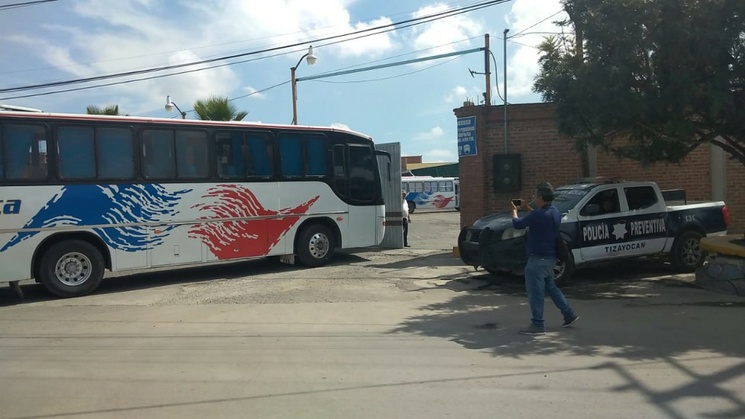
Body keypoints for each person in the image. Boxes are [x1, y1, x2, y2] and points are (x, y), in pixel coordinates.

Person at [511, 182, 579, 335]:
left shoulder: (538, 215)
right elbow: (539, 216)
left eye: (535, 195)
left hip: (537, 259)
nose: (533, 198)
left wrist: (514, 211)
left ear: (540, 197)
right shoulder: (553, 211)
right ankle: (569, 314)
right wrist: (527, 208)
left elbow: (517, 224)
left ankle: (538, 324)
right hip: (550, 258)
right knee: (551, 287)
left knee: (535, 292)